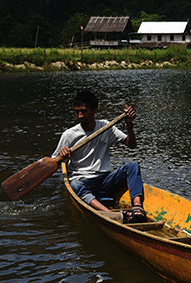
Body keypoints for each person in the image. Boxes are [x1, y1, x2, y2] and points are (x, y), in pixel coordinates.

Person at [53, 89, 147, 223]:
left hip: (104, 180)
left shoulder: (106, 127)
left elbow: (131, 145)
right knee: (74, 185)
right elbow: (54, 162)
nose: (80, 116)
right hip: (83, 181)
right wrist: (61, 156)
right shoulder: (69, 134)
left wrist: (129, 125)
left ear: (94, 111)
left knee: (133, 166)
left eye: (84, 111)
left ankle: (137, 208)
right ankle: (110, 215)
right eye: (77, 112)